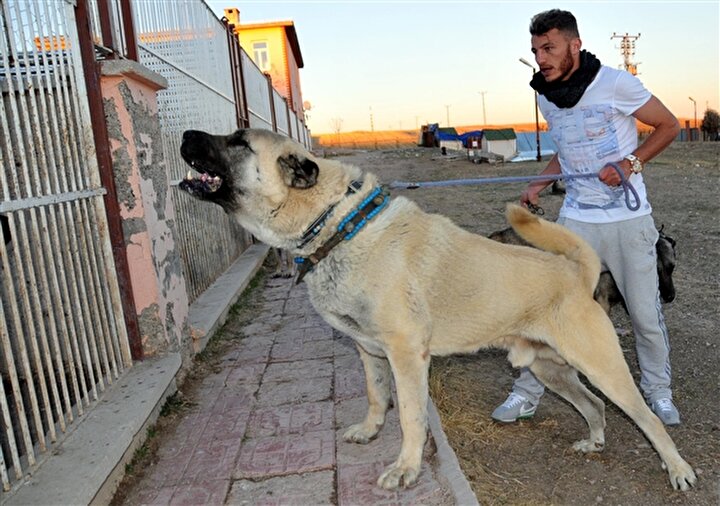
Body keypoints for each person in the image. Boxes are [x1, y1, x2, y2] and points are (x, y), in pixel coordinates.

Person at [491, 9, 682, 426]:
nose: (541, 58)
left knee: (645, 315)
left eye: (549, 48)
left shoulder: (615, 83)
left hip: (628, 219)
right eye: (536, 50)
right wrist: (539, 184)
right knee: (551, 309)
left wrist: (630, 163)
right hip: (578, 219)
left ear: (574, 45)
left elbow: (669, 124)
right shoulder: (545, 94)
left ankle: (658, 392)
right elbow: (568, 149)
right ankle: (527, 392)